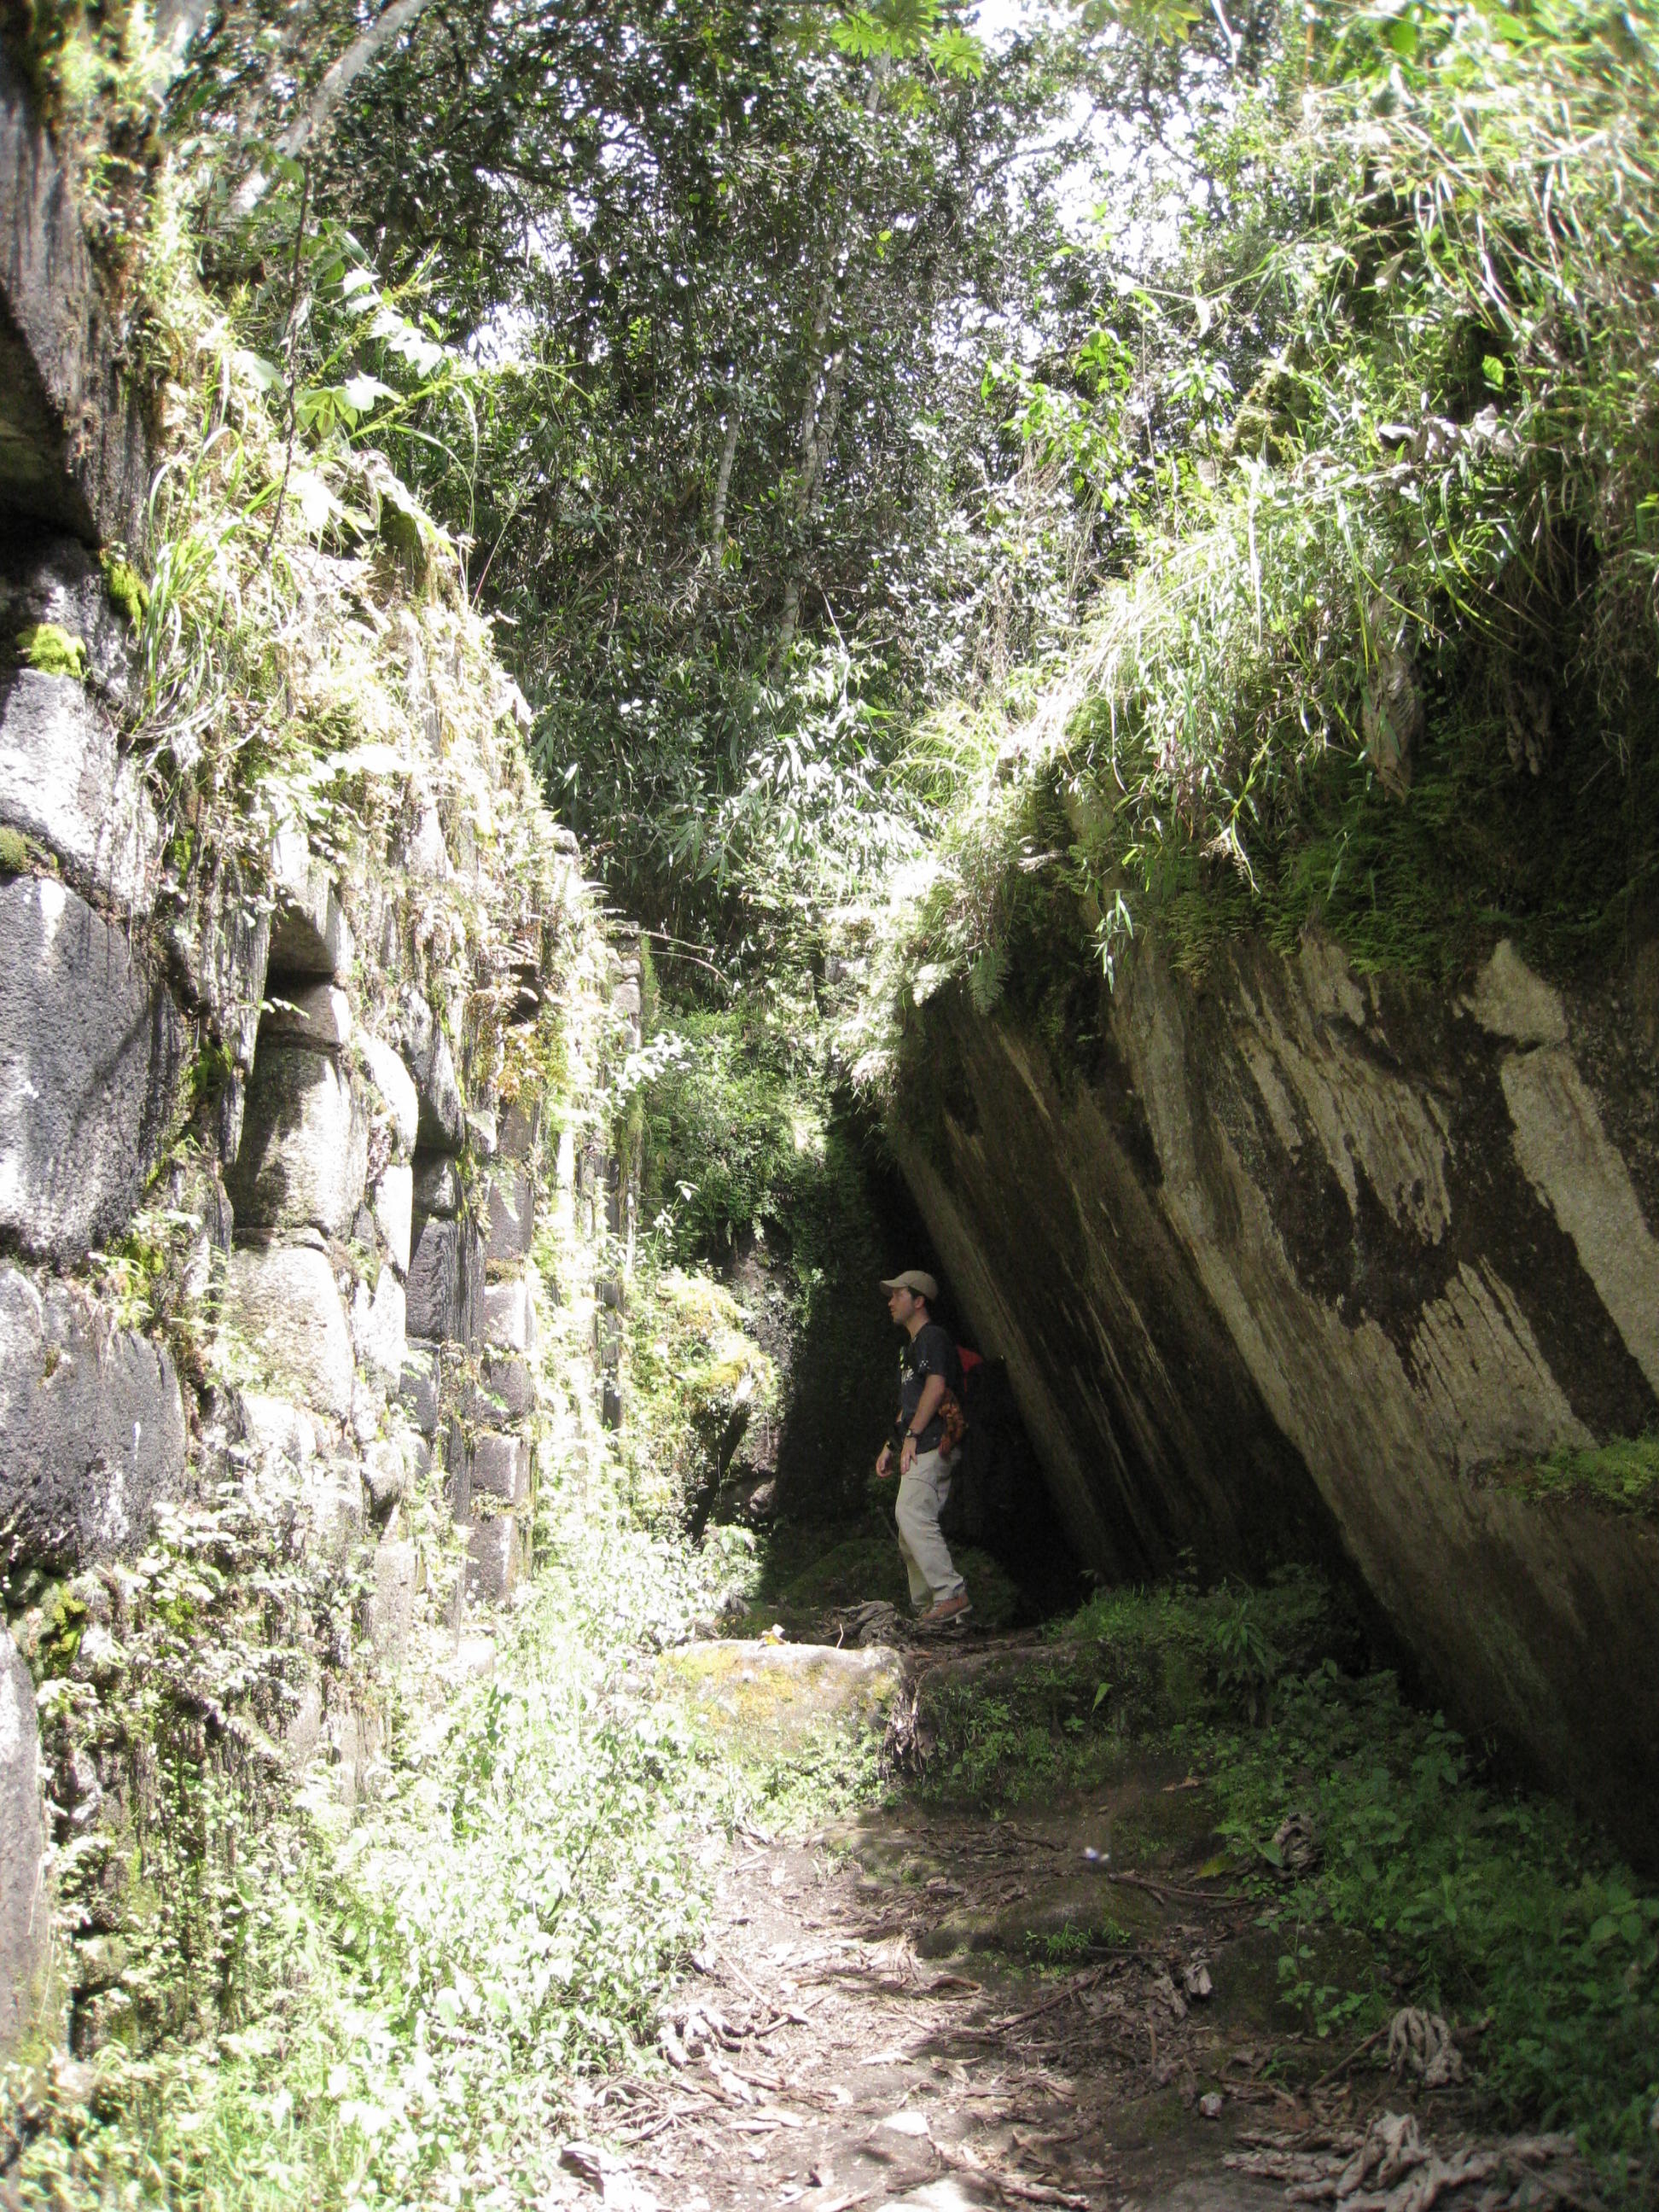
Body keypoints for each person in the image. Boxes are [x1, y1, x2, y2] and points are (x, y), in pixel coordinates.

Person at [874, 1270, 971, 1627]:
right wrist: (892, 1443)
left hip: (932, 1443)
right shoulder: (911, 1348)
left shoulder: (932, 1337)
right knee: (908, 1533)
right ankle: (932, 1612)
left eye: (897, 1294)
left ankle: (950, 1594)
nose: (890, 1302)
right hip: (920, 1442)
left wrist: (912, 1436)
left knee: (912, 1514)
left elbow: (936, 1388)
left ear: (918, 1301)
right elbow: (911, 1403)